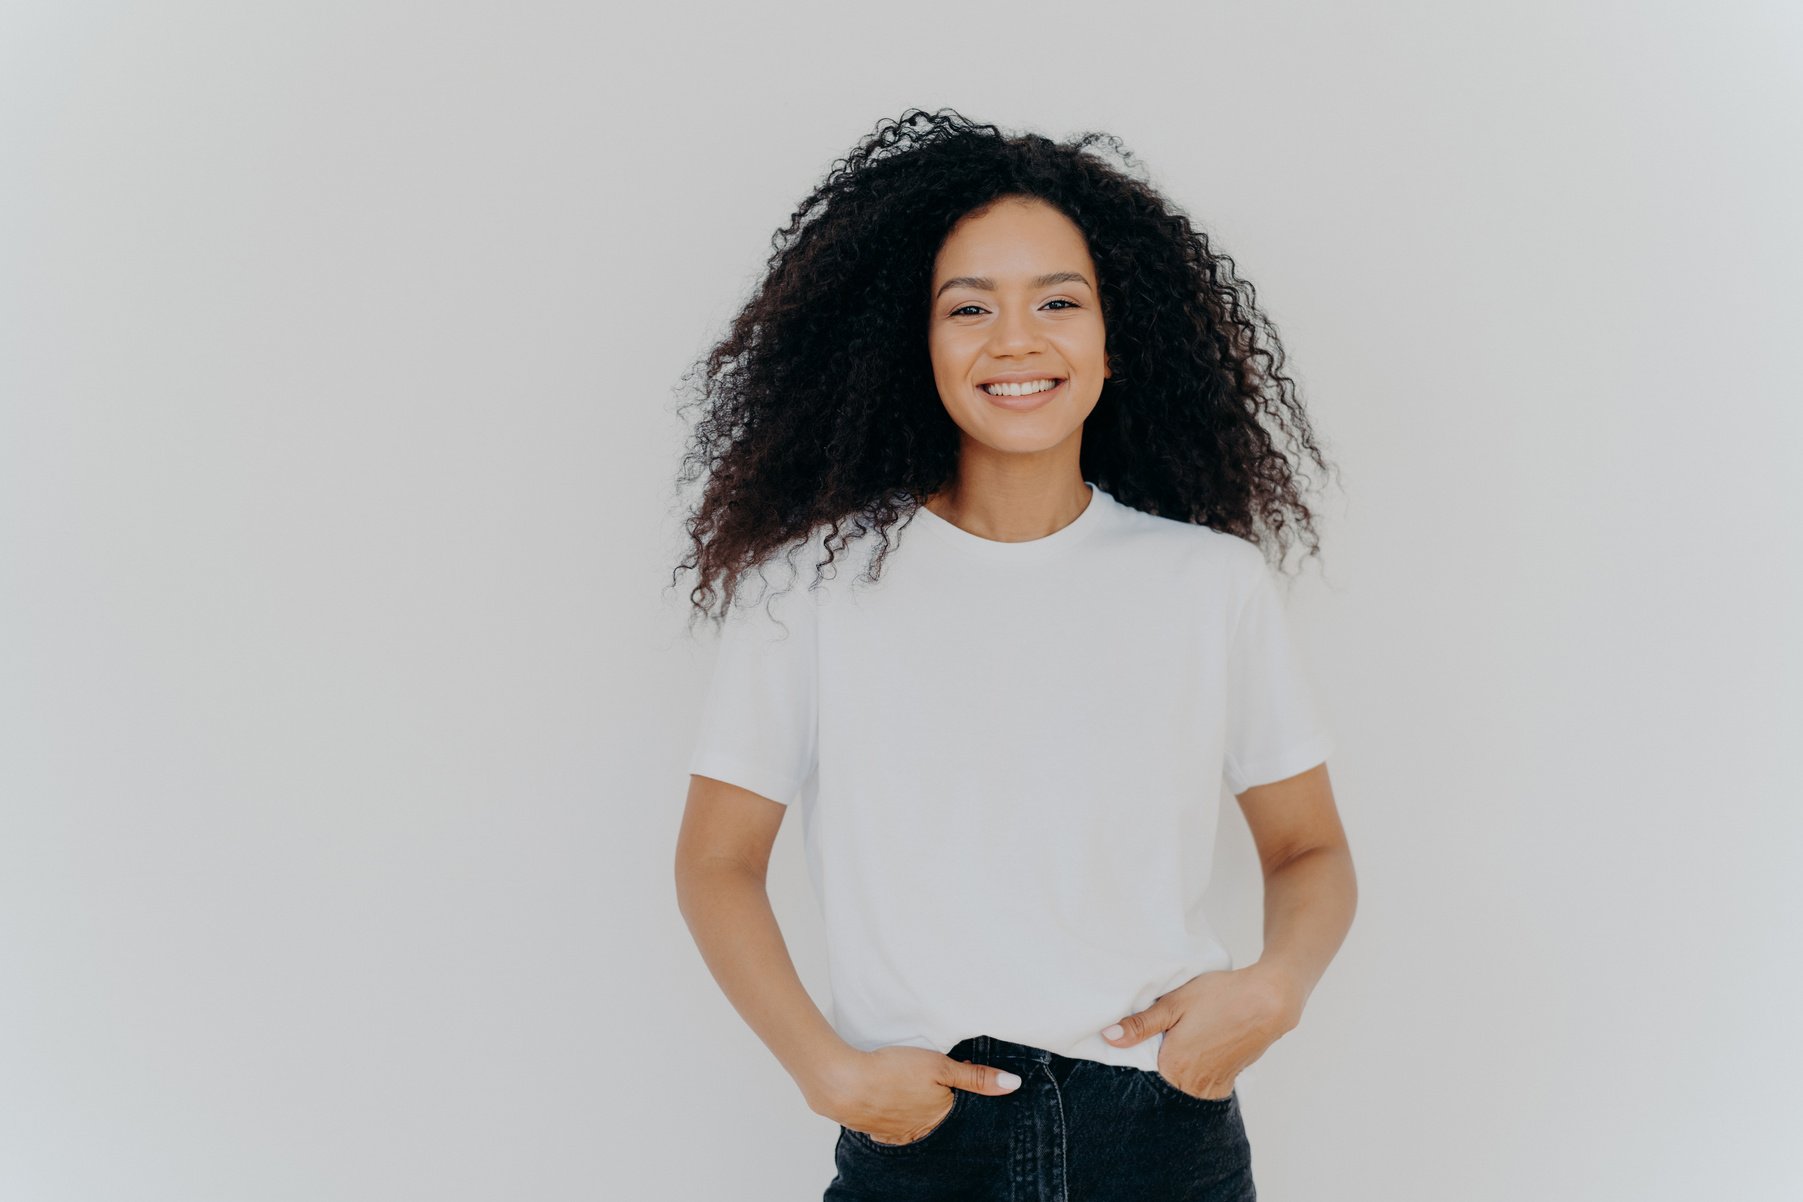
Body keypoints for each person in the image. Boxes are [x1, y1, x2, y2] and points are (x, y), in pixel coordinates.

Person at [671, 108, 1357, 1201]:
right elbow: (715, 862)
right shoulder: (808, 590)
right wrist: (828, 1071)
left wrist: (1275, 989)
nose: (1017, 340)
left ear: (1111, 335)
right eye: (969, 307)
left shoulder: (1210, 581)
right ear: (915, 338)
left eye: (1058, 302)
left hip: (1161, 1138)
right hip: (921, 1145)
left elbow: (1309, 849)